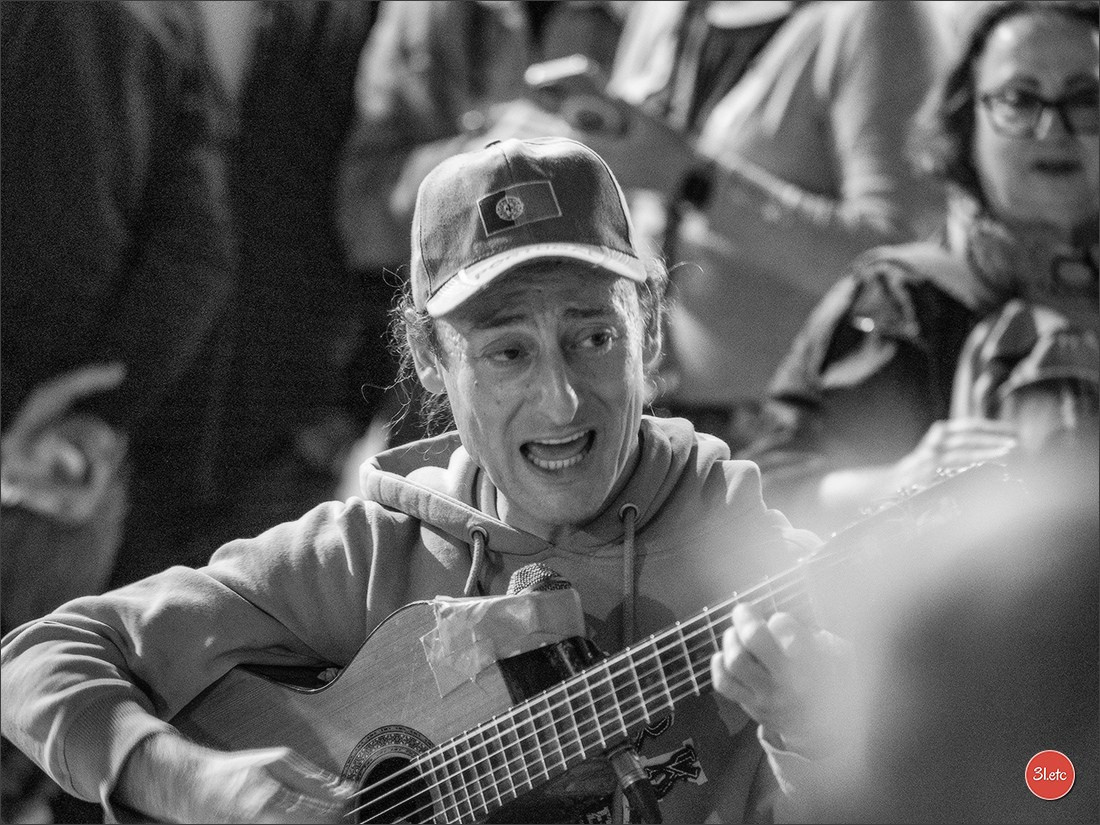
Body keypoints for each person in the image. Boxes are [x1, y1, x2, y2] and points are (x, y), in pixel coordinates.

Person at [2, 137, 842, 824]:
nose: (561, 398)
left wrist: (815, 737)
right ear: (431, 362)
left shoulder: (765, 564)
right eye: (508, 351)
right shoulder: (374, 550)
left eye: (594, 338)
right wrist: (190, 781)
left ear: (649, 331)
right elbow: (38, 655)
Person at [742, 0, 1099, 535]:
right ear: (964, 122)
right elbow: (767, 494)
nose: (1052, 128)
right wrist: (900, 482)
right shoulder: (900, 300)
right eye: (1018, 100)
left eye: (1086, 98)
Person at [579, 0, 950, 449]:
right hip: (649, 420)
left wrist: (695, 181)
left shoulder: (876, 19)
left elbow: (899, 264)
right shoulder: (662, 12)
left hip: (798, 438)